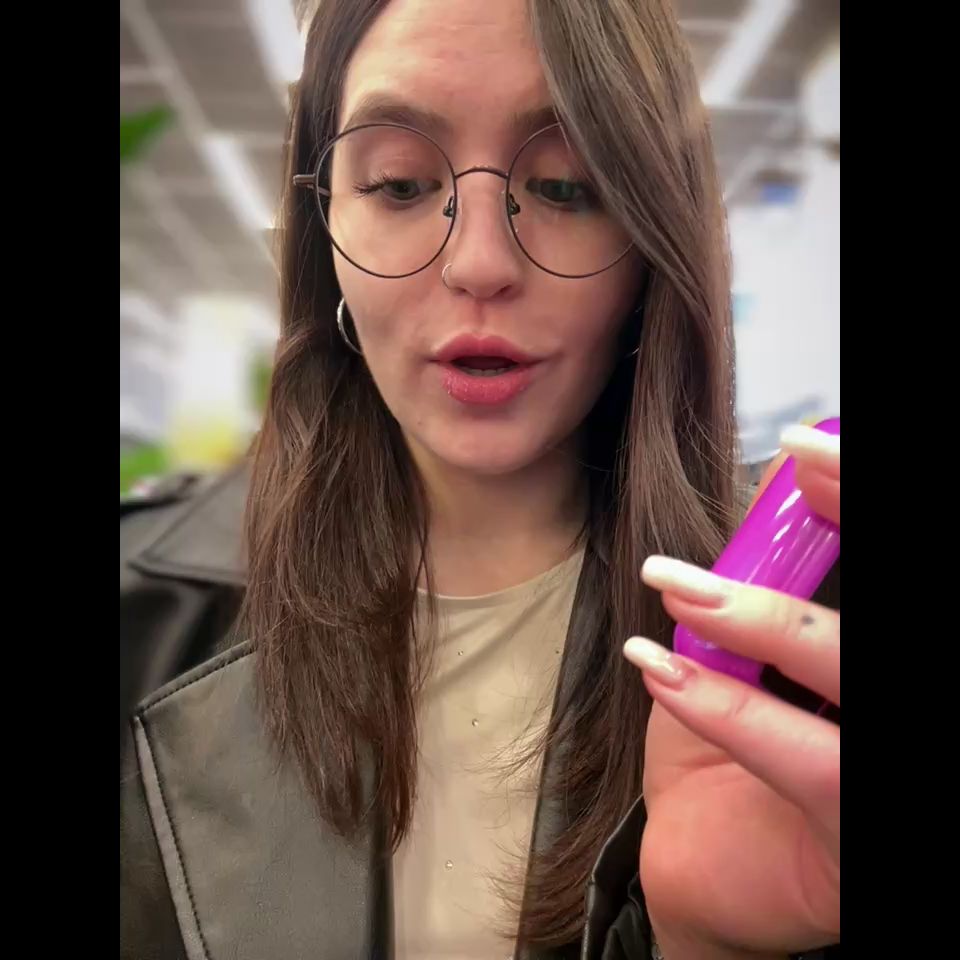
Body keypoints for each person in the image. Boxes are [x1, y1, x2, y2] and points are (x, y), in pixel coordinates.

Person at [119, 1, 840, 957]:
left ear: (652, 236)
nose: (480, 265)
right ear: (325, 221)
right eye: (400, 184)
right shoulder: (142, 613)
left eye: (567, 187)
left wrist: (705, 946)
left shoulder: (800, 647)